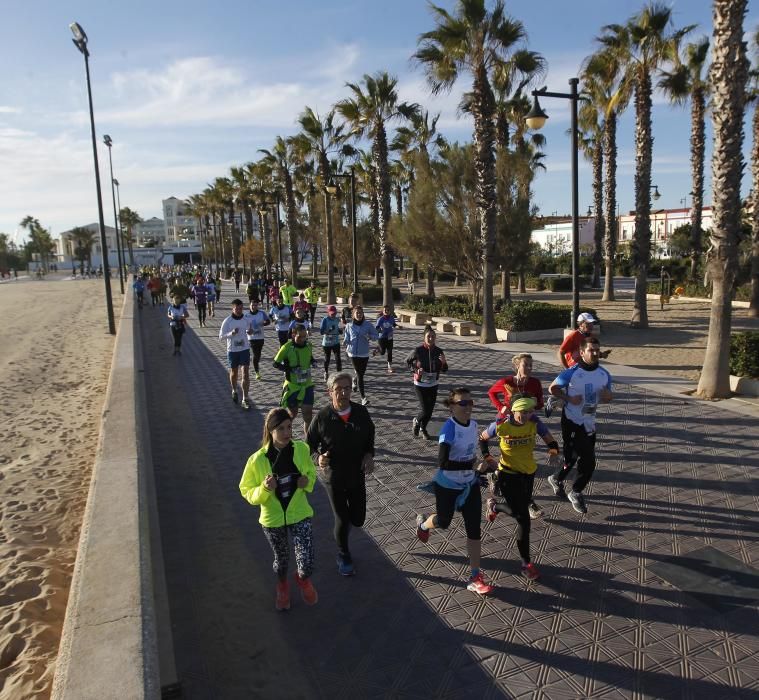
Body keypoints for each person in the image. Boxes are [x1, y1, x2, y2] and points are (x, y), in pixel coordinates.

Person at [414, 387, 494, 596]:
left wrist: (484, 464)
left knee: (474, 528)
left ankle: (475, 575)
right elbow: (443, 462)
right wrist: (470, 466)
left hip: (469, 484)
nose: (468, 407)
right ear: (451, 407)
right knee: (444, 521)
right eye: (462, 403)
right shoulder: (448, 429)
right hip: (447, 485)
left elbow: (473, 453)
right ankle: (423, 523)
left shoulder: (474, 425)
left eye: (470, 403)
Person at [239, 408, 318, 611]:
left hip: (300, 513)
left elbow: (310, 471)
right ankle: (282, 585)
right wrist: (264, 489)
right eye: (281, 428)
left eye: (289, 427)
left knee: (307, 561)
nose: (286, 432)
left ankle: (302, 578)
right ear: (270, 430)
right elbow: (246, 490)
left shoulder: (301, 449)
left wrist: (306, 481)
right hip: (272, 520)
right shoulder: (257, 460)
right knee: (282, 561)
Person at [480, 396, 560, 581]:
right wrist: (488, 459)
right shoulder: (500, 425)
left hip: (529, 473)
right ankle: (526, 564)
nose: (527, 415)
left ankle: (494, 506)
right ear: (513, 410)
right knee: (523, 518)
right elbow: (482, 439)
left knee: (521, 512)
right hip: (507, 474)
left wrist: (553, 453)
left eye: (530, 411)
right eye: (523, 411)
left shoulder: (535, 423)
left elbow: (550, 440)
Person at [307, 371, 375, 576]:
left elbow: (370, 437)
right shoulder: (322, 417)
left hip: (356, 474)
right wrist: (318, 458)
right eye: (339, 389)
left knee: (358, 519)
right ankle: (344, 554)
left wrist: (369, 455)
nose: (344, 393)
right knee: (342, 519)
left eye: (347, 388)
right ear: (330, 393)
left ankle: (344, 543)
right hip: (333, 477)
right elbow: (308, 446)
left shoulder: (361, 413)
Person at [547, 336, 613, 514]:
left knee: (572, 458)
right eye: (591, 350)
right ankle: (576, 492)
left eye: (597, 350)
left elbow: (608, 396)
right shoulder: (572, 372)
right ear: (582, 352)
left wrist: (608, 397)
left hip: (589, 422)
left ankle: (556, 478)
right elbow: (552, 388)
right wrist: (568, 398)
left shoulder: (604, 374)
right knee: (589, 461)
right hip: (571, 421)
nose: (595, 353)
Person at [487, 353, 545, 519]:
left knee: (525, 451)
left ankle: (527, 500)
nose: (528, 368)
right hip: (507, 419)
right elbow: (491, 393)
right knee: (508, 450)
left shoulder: (535, 382)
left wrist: (535, 403)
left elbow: (540, 402)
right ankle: (498, 475)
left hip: (527, 417)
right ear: (517, 366)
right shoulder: (507, 382)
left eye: (531, 365)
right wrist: (501, 408)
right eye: (525, 365)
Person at [273, 325, 317, 435]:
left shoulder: (309, 345)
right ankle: (285, 437)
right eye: (300, 336)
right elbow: (275, 364)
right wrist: (290, 369)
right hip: (292, 387)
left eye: (305, 336)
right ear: (293, 335)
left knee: (308, 415)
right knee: (292, 414)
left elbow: (310, 357)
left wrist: (313, 361)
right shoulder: (286, 347)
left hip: (307, 385)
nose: (303, 339)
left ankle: (308, 443)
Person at [406, 326, 448, 439]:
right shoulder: (418, 350)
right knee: (425, 410)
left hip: (433, 384)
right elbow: (408, 362)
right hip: (420, 384)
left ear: (435, 338)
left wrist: (443, 363)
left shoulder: (439, 351)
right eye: (428, 336)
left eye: (433, 336)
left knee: (430, 410)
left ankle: (423, 428)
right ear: (424, 338)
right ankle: (416, 420)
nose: (430, 338)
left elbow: (445, 369)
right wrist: (416, 370)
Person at [219, 299, 254, 410]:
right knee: (234, 373)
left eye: (240, 308)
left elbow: (250, 330)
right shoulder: (227, 321)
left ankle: (245, 398)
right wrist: (231, 333)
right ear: (232, 308)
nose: (239, 310)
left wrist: (250, 332)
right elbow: (221, 336)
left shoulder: (246, 319)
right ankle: (234, 390)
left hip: (244, 349)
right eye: (237, 308)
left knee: (245, 373)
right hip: (232, 351)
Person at [343, 305, 378, 406]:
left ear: (363, 314)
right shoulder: (349, 325)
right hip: (352, 352)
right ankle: (363, 398)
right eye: (357, 313)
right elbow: (347, 337)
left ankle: (354, 379)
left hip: (364, 353)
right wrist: (345, 341)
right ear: (353, 314)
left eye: (360, 313)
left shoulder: (368, 325)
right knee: (360, 375)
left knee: (360, 373)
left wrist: (370, 336)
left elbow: (376, 336)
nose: (359, 315)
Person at [246, 298, 271, 380]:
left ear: (257, 306)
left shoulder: (261, 313)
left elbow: (268, 321)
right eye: (252, 305)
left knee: (258, 355)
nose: (253, 307)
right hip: (251, 338)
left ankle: (256, 364)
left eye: (255, 305)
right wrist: (247, 331)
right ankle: (257, 372)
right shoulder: (246, 315)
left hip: (260, 337)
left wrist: (263, 324)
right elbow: (243, 325)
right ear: (249, 305)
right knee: (255, 355)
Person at [373, 305, 401, 374]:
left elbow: (394, 324)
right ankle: (377, 350)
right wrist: (380, 330)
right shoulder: (380, 319)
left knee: (390, 351)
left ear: (390, 311)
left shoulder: (391, 318)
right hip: (382, 338)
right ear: (383, 311)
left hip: (390, 337)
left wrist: (398, 326)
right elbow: (376, 328)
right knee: (382, 352)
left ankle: (389, 367)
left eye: (388, 310)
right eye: (385, 310)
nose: (386, 311)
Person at [319, 304, 342, 380]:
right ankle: (326, 372)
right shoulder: (325, 320)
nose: (333, 315)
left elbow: (338, 328)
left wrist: (339, 330)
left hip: (336, 341)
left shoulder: (337, 319)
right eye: (332, 313)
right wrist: (329, 330)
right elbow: (321, 332)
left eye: (334, 313)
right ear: (328, 312)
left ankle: (339, 374)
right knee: (327, 359)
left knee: (338, 358)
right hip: (327, 343)